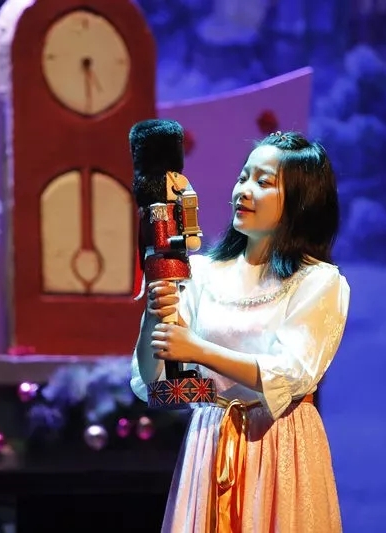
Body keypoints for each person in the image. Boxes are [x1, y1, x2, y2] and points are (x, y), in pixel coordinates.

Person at [130, 131, 350, 532]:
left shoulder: (318, 281)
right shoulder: (200, 273)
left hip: (280, 444)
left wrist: (198, 350)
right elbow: (154, 381)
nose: (244, 190)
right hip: (210, 439)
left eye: (263, 182)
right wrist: (153, 315)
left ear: (301, 200)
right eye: (243, 177)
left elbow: (291, 374)